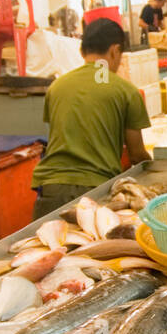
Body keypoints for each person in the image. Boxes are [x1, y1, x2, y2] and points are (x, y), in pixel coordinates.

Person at [31, 18, 150, 219]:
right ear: (115, 51)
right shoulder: (126, 91)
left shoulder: (57, 87)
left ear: (81, 51)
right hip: (94, 192)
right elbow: (137, 156)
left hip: (49, 188)